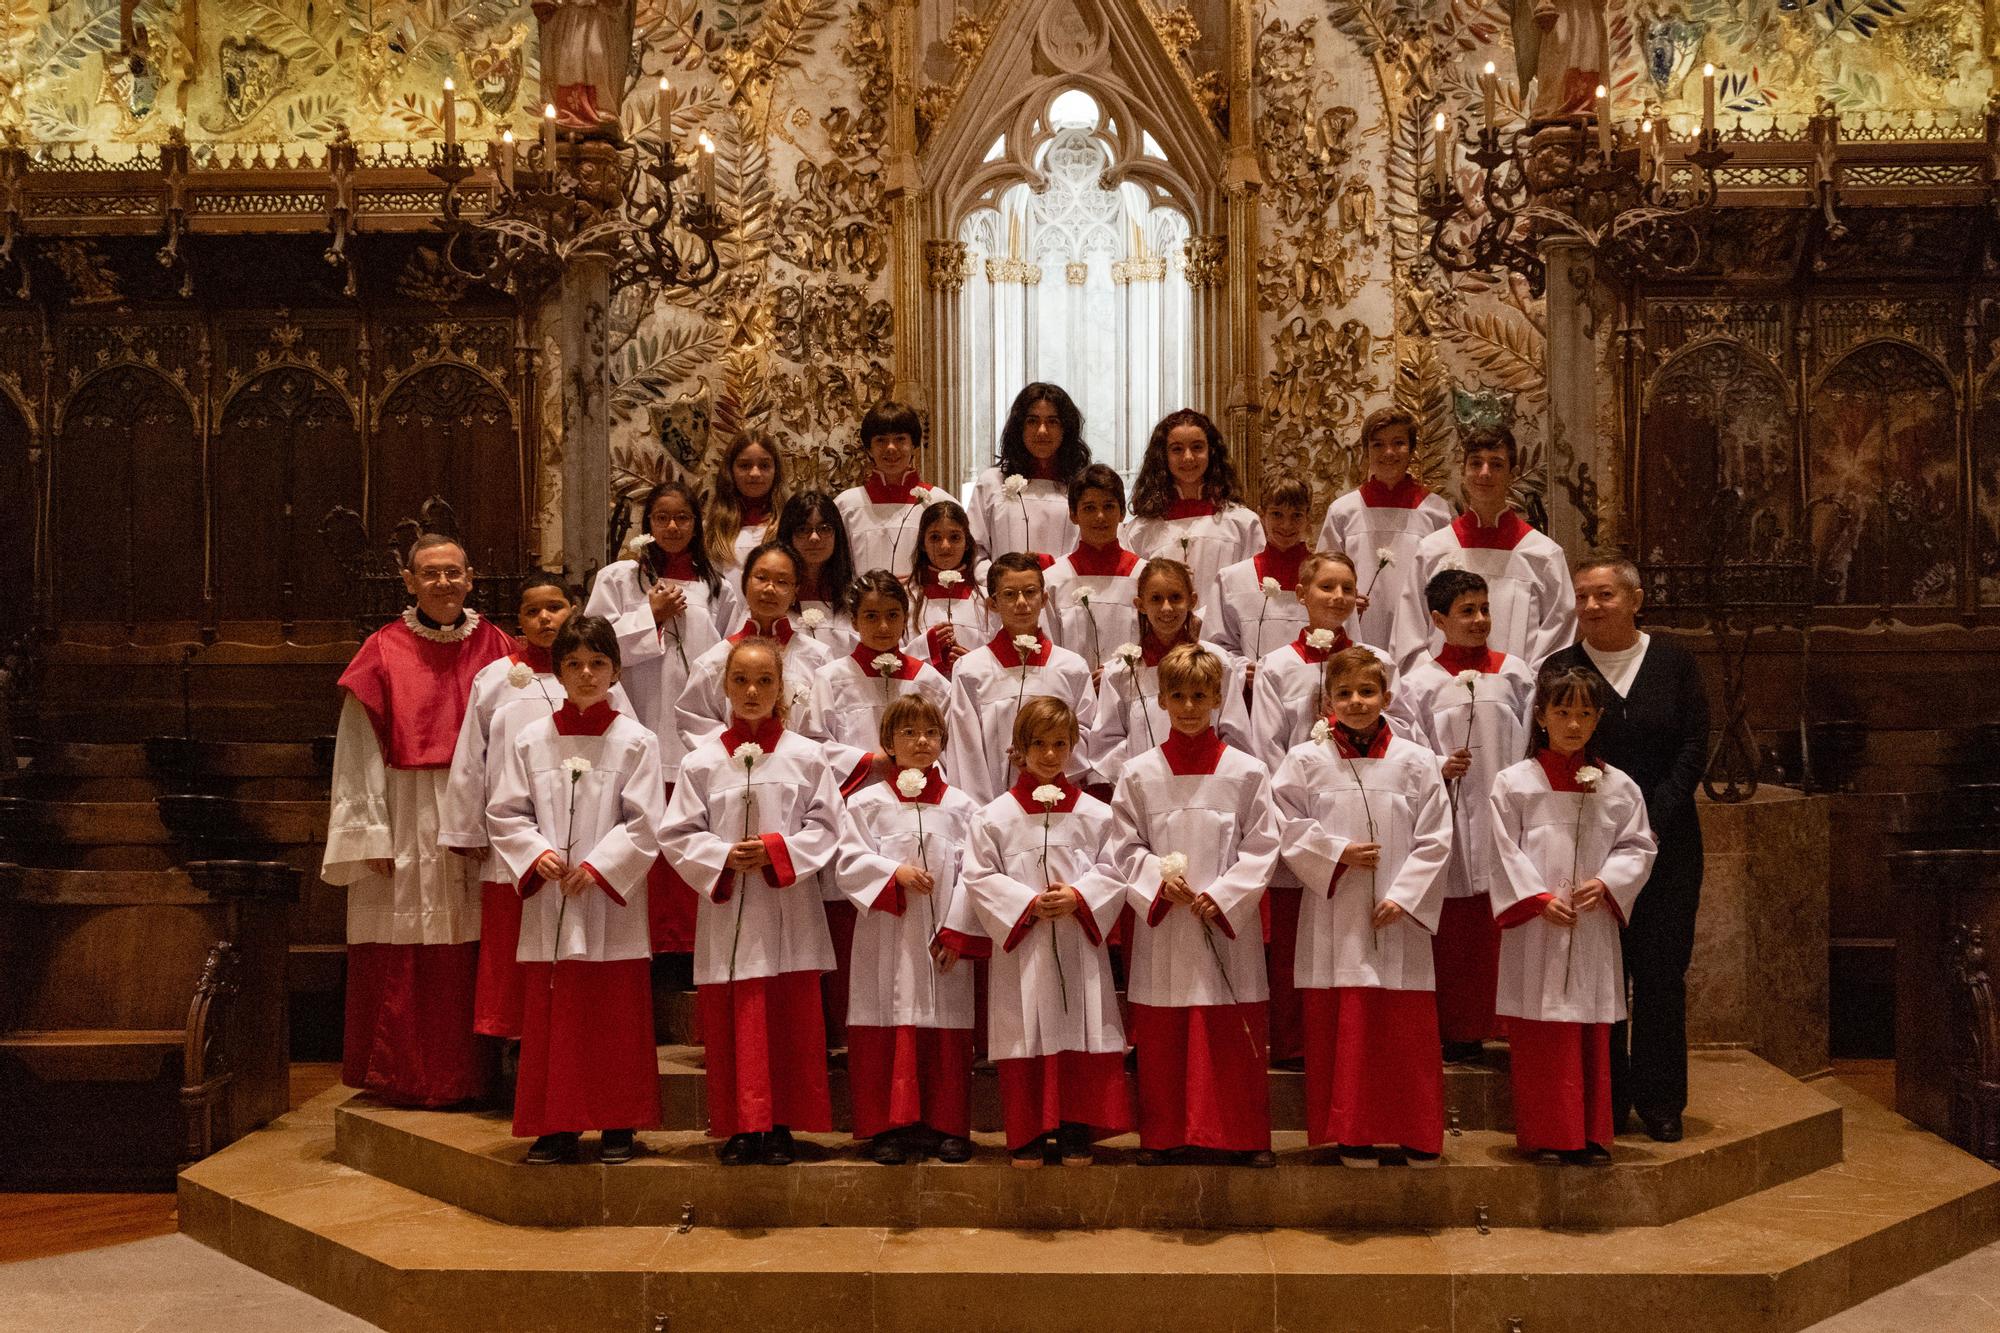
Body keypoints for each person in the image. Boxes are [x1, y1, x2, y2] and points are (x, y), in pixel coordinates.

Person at [323, 533, 514, 1106]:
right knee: (406, 939)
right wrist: (368, 832)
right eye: (429, 574)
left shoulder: (500, 647)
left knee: (474, 942)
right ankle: (405, 1076)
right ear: (408, 581)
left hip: (477, 812)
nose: (443, 584)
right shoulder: (381, 650)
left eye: (453, 573)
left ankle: (472, 1075)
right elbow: (356, 749)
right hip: (404, 810)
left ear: (471, 577)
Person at [659, 637, 852, 1166]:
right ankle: (742, 1126)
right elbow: (677, 833)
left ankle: (783, 1123)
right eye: (741, 680)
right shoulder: (702, 761)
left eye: (765, 681)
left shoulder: (806, 755)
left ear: (781, 689)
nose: (751, 691)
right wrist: (721, 855)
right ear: (723, 686)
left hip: (789, 909)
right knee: (735, 1020)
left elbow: (829, 825)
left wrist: (775, 851)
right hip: (729, 913)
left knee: (790, 1019)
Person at [485, 615, 666, 1165]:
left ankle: (619, 1124)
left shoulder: (636, 740)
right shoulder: (531, 739)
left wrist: (602, 865)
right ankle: (556, 1124)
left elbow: (645, 821)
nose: (586, 675)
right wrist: (536, 854)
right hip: (551, 895)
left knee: (615, 1011)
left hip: (609, 898)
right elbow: (506, 811)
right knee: (553, 1010)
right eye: (574, 665)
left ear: (614, 671)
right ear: (559, 671)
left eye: (598, 664)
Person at [1541, 552, 1709, 1143]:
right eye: (1582, 596)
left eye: (1604, 595)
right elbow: (1551, 749)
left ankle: (1662, 1101)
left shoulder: (1673, 661)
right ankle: (1604, 1103)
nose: (1590, 606)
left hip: (1667, 844)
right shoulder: (1562, 666)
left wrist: (1650, 823)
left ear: (1636, 600)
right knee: (1600, 976)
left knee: (1661, 974)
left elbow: (1693, 745)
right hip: (1587, 848)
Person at [1271, 646, 1452, 1167]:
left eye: (1367, 692)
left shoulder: (1415, 760)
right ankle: (1353, 1131)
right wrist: (1336, 852)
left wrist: (1404, 895)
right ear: (1327, 700)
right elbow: (1285, 822)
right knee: (1347, 1026)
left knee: (1405, 1028)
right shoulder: (1306, 760)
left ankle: (1416, 1131)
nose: (1356, 702)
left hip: (1398, 916)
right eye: (1344, 693)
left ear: (1387, 697)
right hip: (1337, 914)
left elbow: (1437, 837)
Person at [1110, 644, 1282, 1167]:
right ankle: (1165, 1135)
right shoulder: (1138, 773)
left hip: (1225, 921)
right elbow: (1123, 846)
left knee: (1229, 1027)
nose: (1189, 706)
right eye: (1178, 695)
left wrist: (1224, 893)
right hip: (1166, 923)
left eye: (1201, 695)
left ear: (1218, 698)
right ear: (1160, 699)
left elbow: (1263, 843)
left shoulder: (1246, 771)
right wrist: (1159, 884)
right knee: (1165, 1031)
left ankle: (1243, 1135)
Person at [1489, 663, 1657, 1163]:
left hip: (1590, 921)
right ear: (1540, 715)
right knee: (1543, 1029)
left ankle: (1587, 1133)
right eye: (1563, 711)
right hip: (1536, 925)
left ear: (1599, 718)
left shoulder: (1618, 786)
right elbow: (1501, 849)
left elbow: (1639, 845)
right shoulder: (1514, 783)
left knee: (1588, 1026)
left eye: (1585, 713)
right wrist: (1537, 899)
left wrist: (1607, 883)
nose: (1574, 723)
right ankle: (1547, 1134)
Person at [1245, 550, 1405, 1069]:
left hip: (1363, 814)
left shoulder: (1375, 661)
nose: (1337, 598)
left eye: (1345, 589)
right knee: (1299, 937)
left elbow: (1400, 732)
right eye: (1325, 588)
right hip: (1308, 815)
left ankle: (1357, 1045)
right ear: (1302, 595)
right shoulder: (1277, 664)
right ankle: (1295, 1043)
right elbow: (1265, 745)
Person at [439, 576, 611, 1041]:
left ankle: (572, 1038)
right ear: (518, 619)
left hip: (583, 834)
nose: (545, 618)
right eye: (533, 611)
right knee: (513, 948)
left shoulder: (593, 674)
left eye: (554, 608)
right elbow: (471, 758)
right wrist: (467, 829)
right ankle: (519, 1048)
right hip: (514, 838)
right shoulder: (495, 678)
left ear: (572, 611)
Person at [961, 697, 1131, 1167]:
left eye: (1061, 744)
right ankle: (1027, 1130)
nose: (1051, 755)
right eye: (1039, 744)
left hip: (1077, 939)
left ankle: (1076, 1126)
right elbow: (978, 876)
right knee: (1026, 1029)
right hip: (1025, 943)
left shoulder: (1097, 816)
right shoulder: (993, 817)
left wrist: (1079, 896)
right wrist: (1026, 904)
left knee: (1080, 1023)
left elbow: (1115, 868)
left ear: (1075, 746)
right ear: (1019, 748)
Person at [584, 480, 730, 954]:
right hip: (638, 714)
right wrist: (647, 614)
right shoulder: (618, 579)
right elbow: (594, 647)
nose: (672, 526)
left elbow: (730, 655)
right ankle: (649, 945)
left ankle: (687, 944)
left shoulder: (717, 585)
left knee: (689, 828)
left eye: (682, 518)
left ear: (696, 524)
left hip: (695, 726)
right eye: (662, 517)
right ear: (647, 524)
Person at [1398, 569, 1536, 1062]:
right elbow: (1407, 751)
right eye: (1466, 612)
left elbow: (1530, 740)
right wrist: (1439, 764)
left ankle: (1511, 1021)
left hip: (1505, 814)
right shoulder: (1419, 682)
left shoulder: (1514, 672)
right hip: (1452, 818)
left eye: (1484, 609)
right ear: (1437, 619)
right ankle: (1461, 1027)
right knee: (1459, 928)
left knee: (1506, 917)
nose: (1479, 620)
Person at [837, 695, 980, 1165]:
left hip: (942, 938)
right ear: (887, 743)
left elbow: (977, 872)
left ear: (942, 742)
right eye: (908, 733)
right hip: (887, 934)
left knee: (945, 1022)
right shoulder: (866, 803)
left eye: (931, 734)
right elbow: (848, 861)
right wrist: (892, 873)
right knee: (887, 1014)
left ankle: (947, 1124)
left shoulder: (962, 806)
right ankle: (888, 1126)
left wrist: (957, 931)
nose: (921, 742)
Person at [1391, 426, 1575, 669]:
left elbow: (1558, 639)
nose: (1485, 473)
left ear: (1513, 473)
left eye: (1496, 465)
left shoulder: (1543, 554)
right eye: (1476, 463)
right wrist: (1432, 685)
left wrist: (1524, 689)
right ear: (1463, 470)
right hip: (1441, 697)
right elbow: (1409, 631)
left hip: (1516, 698)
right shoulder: (1432, 550)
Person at [943, 552, 1096, 804]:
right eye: (1009, 594)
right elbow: (965, 750)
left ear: (1044, 598)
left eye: (1030, 592)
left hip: (1058, 802)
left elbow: (1088, 736)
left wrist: (1041, 760)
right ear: (992, 604)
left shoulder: (1071, 667)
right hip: (993, 806)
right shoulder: (971, 670)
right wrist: (983, 813)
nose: (1022, 602)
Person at [1088, 558, 1248, 789]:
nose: (1166, 608)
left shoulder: (1218, 661)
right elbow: (1107, 744)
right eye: (1156, 599)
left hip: (1209, 783)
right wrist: (1143, 775)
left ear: (1192, 600)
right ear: (1140, 604)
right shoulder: (1122, 671)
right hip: (1146, 788)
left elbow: (1234, 733)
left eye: (1175, 597)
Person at [1318, 407, 1454, 650]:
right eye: (1378, 444)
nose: (1388, 452)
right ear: (1366, 451)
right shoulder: (1343, 511)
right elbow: (1323, 577)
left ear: (1412, 450)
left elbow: (1450, 581)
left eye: (1398, 443)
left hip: (1422, 630)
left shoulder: (1437, 512)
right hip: (1358, 630)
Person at [676, 541, 834, 748]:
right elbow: (694, 719)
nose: (770, 588)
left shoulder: (818, 659)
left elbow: (829, 729)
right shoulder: (715, 660)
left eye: (782, 581)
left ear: (796, 591)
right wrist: (741, 750)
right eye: (761, 578)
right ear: (744, 583)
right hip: (732, 771)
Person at [1122, 408, 1262, 607]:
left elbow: (1252, 593)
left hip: (1224, 636)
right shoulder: (1140, 531)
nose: (1188, 457)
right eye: (1177, 449)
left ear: (1211, 452)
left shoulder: (1243, 523)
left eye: (1197, 447)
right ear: (1163, 455)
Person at [1041, 464, 1146, 681]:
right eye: (1089, 508)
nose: (1100, 516)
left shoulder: (1144, 575)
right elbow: (1048, 647)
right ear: (1073, 514)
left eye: (1109, 506)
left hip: (1132, 693)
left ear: (1122, 513)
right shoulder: (1054, 579)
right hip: (1073, 696)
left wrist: (1117, 674)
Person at [966, 383, 1091, 564]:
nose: (1042, 431)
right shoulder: (991, 482)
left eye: (1052, 421)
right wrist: (999, 582)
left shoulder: (1081, 486)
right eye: (1032, 421)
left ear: (1066, 429)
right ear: (1019, 427)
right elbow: (975, 550)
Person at [1206, 476, 1315, 670]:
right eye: (1277, 514)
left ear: (1308, 517)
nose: (1286, 525)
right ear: (1261, 515)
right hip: (1252, 692)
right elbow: (1216, 646)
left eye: (1296, 515)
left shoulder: (1325, 578)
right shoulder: (1232, 579)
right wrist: (1241, 669)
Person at [835, 400, 944, 580]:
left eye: (900, 439)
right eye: (881, 440)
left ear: (914, 445)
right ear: (869, 449)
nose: (891, 448)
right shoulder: (846, 506)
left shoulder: (939, 503)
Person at [905, 500, 988, 677]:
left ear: (967, 543)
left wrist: (973, 664)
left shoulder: (987, 601)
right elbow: (892, 658)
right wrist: (925, 646)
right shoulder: (906, 599)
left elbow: (996, 662)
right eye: (935, 537)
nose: (945, 546)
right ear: (922, 544)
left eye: (955, 537)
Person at [777, 489, 858, 656]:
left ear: (837, 535)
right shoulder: (772, 596)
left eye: (825, 528)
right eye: (802, 529)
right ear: (788, 535)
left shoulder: (856, 599)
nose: (814, 537)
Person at [702, 435, 787, 574]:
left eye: (764, 465)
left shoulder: (790, 525)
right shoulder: (710, 529)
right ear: (730, 471)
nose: (755, 473)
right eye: (744, 465)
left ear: (776, 471)